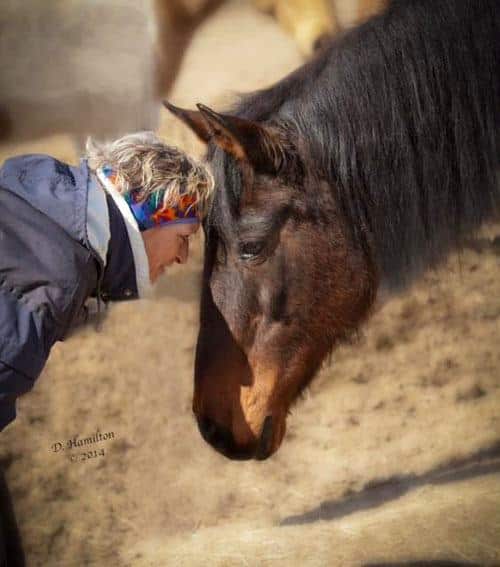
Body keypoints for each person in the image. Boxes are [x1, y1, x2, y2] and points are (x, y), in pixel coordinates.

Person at [0, 131, 213, 432]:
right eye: (184, 237)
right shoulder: (55, 279)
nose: (183, 257)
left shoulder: (29, 200)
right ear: (149, 215)